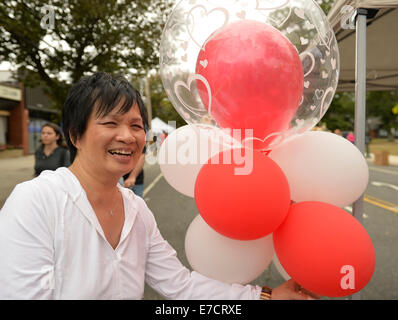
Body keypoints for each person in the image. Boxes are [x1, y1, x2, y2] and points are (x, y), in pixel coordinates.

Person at [0, 72, 320, 300]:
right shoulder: (36, 201)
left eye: (136, 126)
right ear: (75, 134)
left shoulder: (137, 210)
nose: (127, 136)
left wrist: (266, 296)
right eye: (111, 123)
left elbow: (181, 288)